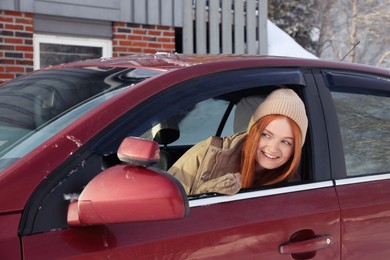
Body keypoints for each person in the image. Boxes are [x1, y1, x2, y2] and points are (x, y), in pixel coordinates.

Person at [168, 88, 308, 196]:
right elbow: (164, 205)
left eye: (286, 142)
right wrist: (209, 193)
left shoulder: (296, 188)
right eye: (266, 135)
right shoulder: (206, 155)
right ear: (252, 132)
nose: (273, 148)